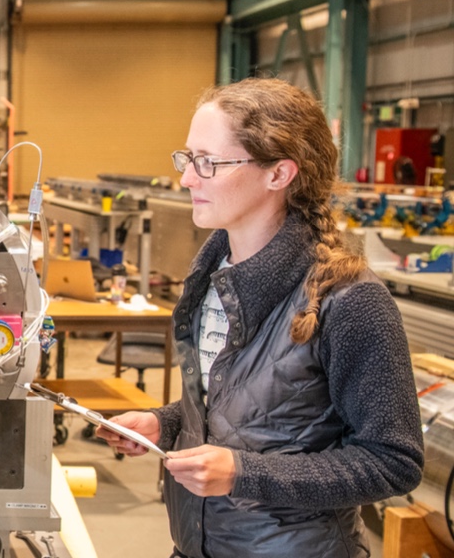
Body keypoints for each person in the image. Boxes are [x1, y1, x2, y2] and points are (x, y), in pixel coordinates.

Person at [96, 77, 424, 558]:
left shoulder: (349, 302)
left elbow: (393, 461)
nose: (187, 178)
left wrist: (243, 474)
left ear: (279, 174)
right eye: (187, 159)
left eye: (209, 162)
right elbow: (251, 412)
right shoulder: (210, 279)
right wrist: (164, 424)